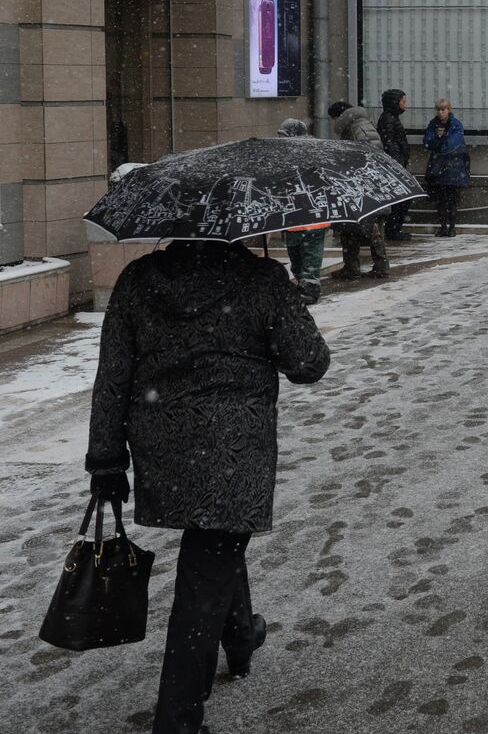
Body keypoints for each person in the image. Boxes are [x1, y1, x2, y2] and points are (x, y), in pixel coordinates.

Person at [85, 240, 329, 733]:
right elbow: (309, 364)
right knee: (205, 569)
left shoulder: (139, 279)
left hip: (163, 443)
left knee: (213, 540)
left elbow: (113, 376)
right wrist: (285, 307)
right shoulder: (262, 280)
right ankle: (177, 722)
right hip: (231, 449)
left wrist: (107, 458)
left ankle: (240, 638)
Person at [327, 100, 390, 279]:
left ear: (339, 116)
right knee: (356, 224)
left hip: (362, 185)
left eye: (333, 119)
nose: (332, 124)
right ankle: (362, 266)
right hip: (370, 184)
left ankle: (367, 266)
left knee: (364, 226)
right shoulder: (361, 125)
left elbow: (364, 157)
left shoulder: (356, 129)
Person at [276, 118, 329, 304]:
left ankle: (310, 289)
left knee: (311, 258)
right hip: (293, 220)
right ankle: (303, 285)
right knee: (296, 259)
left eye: (284, 135)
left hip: (313, 219)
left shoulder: (310, 156)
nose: (281, 139)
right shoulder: (282, 159)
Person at [422, 98, 471, 237]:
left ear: (449, 110)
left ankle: (452, 227)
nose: (440, 112)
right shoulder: (433, 124)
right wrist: (437, 139)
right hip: (438, 167)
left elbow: (451, 145)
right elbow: (427, 142)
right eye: (438, 109)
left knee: (453, 199)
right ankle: (443, 227)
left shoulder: (455, 124)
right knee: (440, 200)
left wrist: (440, 140)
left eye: (443, 109)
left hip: (454, 167)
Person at [376, 89, 411, 242]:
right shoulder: (389, 120)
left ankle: (394, 229)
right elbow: (389, 143)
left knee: (402, 199)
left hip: (397, 164)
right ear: (395, 103)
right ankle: (393, 229)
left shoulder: (391, 118)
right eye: (403, 101)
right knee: (401, 199)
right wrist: (398, 164)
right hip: (395, 166)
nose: (405, 105)